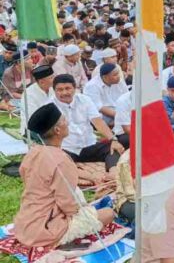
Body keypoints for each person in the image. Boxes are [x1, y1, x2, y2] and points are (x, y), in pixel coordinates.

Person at [15, 104, 114, 247]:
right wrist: (84, 211)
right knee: (108, 213)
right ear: (57, 130)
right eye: (64, 120)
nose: (67, 122)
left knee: (79, 194)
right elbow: (68, 206)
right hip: (44, 230)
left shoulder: (32, 153)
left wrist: (91, 178)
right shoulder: (60, 159)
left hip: (24, 224)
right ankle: (62, 239)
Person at [51, 74, 128, 171]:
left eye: (68, 88)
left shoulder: (84, 100)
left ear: (74, 88)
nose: (64, 92)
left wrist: (113, 139)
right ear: (54, 91)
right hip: (67, 148)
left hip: (89, 144)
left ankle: (113, 173)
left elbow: (97, 121)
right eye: (60, 90)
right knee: (59, 161)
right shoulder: (49, 106)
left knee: (114, 148)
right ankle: (83, 176)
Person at [20, 65, 55, 135]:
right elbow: (34, 118)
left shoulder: (53, 89)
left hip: (53, 125)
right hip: (34, 129)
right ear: (42, 82)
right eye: (51, 78)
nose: (54, 79)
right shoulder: (29, 94)